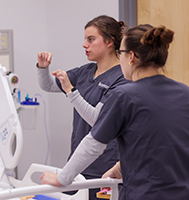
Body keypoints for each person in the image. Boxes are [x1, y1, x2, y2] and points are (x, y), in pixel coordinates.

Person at [40, 24, 189, 199]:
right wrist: (120, 167)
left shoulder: (125, 95)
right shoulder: (184, 92)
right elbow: (158, 141)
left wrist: (62, 179)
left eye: (121, 53)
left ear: (131, 57)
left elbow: (93, 144)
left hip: (144, 193)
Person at [36, 15, 129, 199]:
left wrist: (71, 92)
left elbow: (99, 121)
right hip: (77, 164)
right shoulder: (85, 71)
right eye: (85, 39)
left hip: (104, 167)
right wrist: (42, 68)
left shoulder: (121, 78)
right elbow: (49, 86)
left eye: (91, 39)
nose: (84, 44)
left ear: (110, 41)